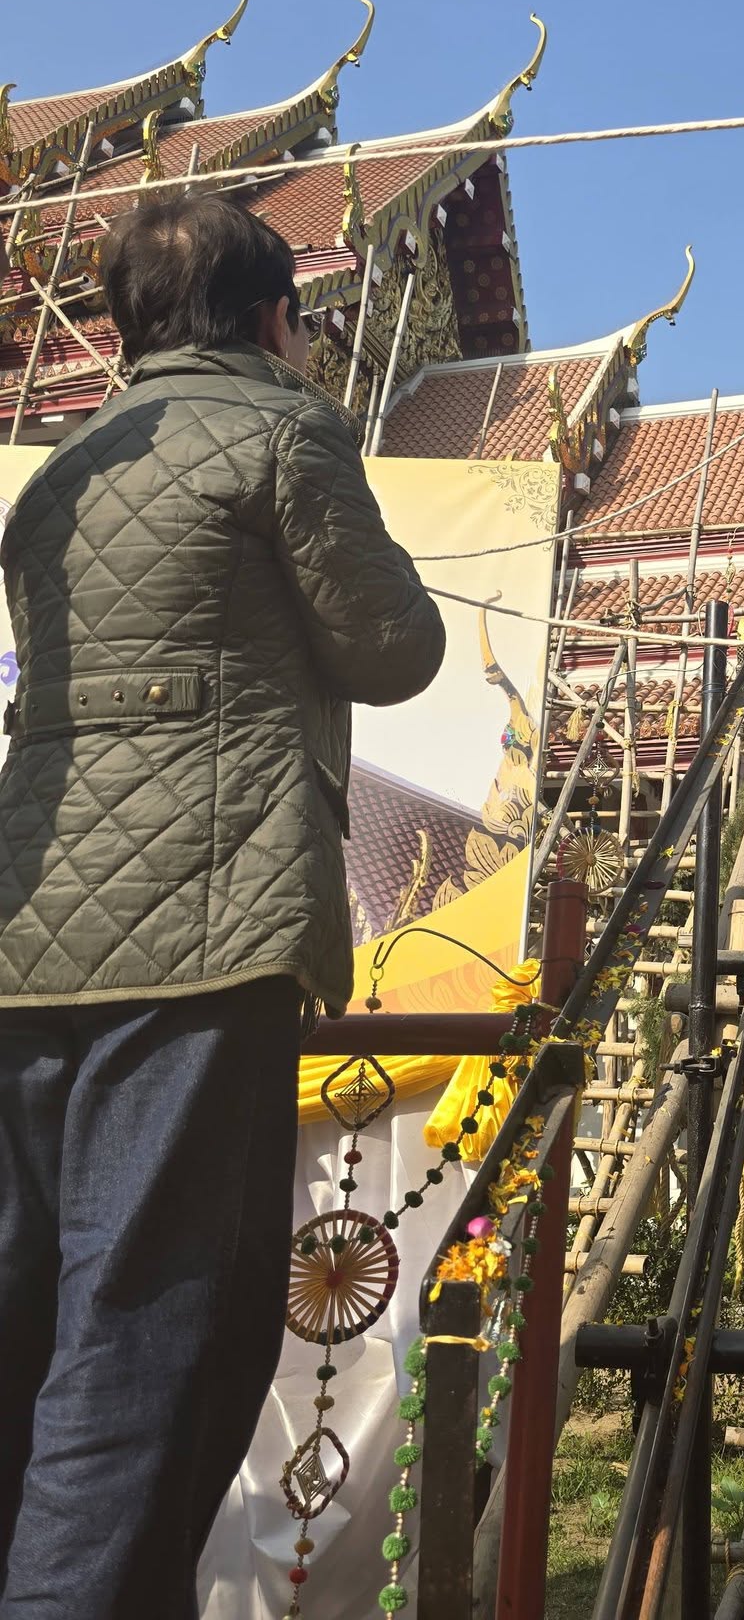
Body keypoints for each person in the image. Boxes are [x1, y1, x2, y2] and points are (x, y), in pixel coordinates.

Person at [0, 194, 446, 1619]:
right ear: (271, 320)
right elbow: (395, 649)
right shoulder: (282, 429)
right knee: (150, 1333)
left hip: (25, 930)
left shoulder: (59, 474)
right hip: (199, 922)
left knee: (25, 1319)